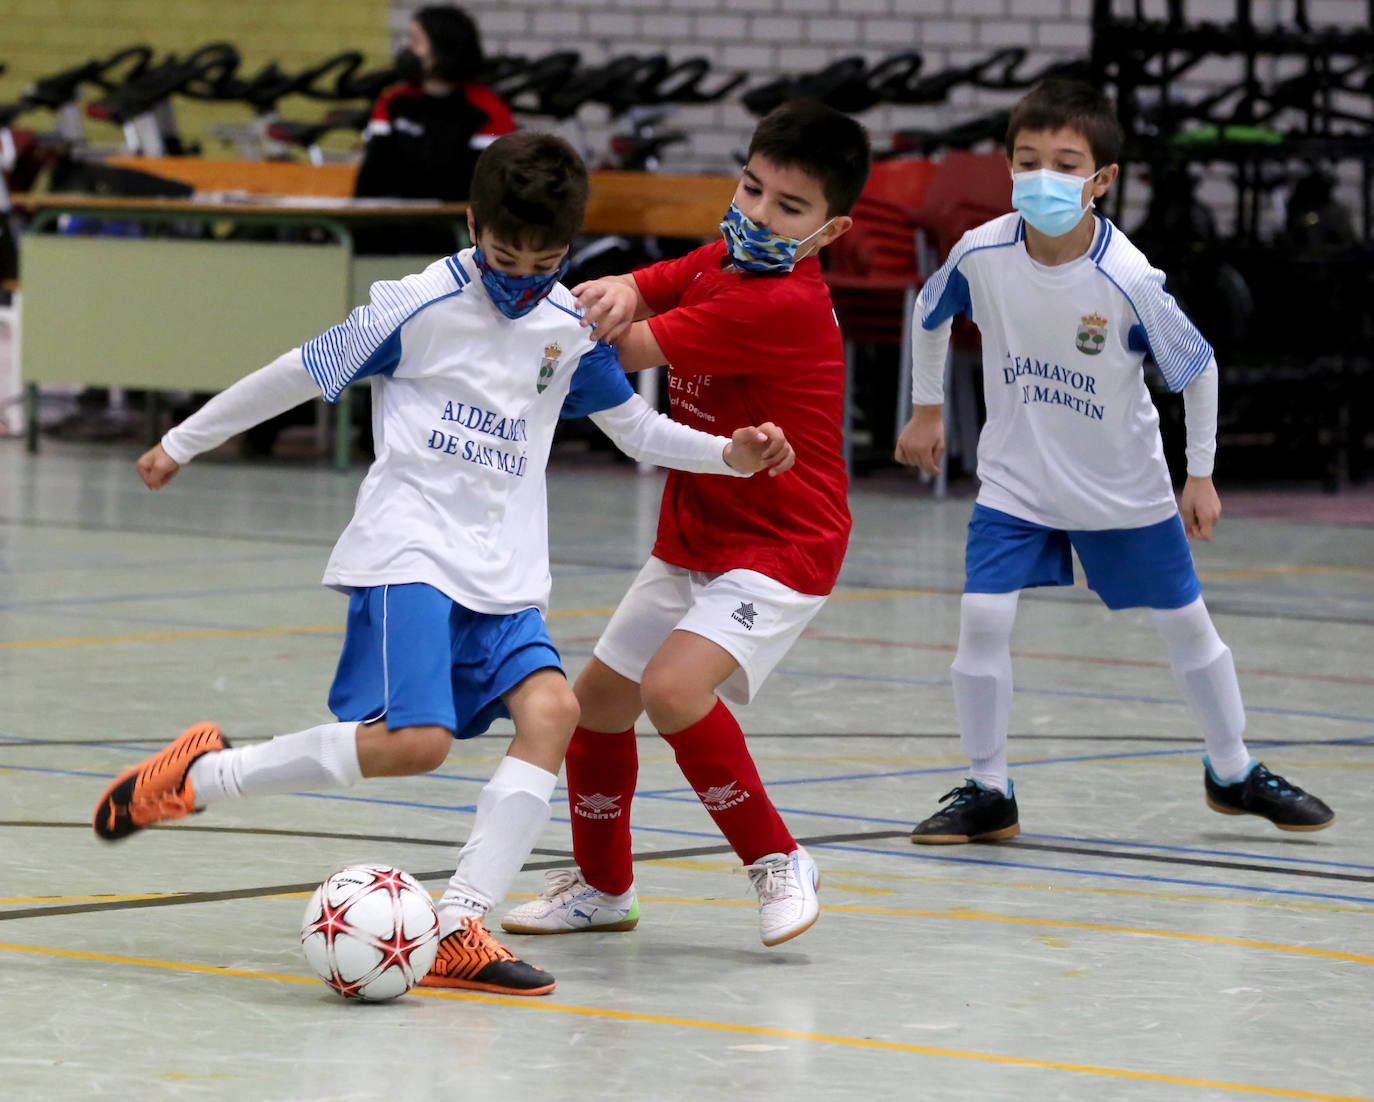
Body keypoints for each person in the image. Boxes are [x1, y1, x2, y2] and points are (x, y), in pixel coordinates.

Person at [91, 132, 797, 998]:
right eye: (505, 257)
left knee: (554, 711)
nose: (521, 278)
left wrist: (732, 452)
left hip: (503, 574)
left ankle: (462, 925)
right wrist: (179, 442)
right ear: (472, 225)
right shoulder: (413, 306)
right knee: (417, 745)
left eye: (545, 262)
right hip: (410, 551)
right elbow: (294, 375)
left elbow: (638, 432)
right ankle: (202, 777)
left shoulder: (569, 326)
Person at [891, 79, 1334, 844]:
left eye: (1065, 163)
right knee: (982, 619)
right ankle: (989, 789)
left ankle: (1231, 771)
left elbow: (1197, 368)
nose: (1042, 178)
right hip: (1017, 482)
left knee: (1188, 629)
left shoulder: (1127, 278)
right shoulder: (982, 252)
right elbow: (929, 314)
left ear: (1103, 181)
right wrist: (927, 407)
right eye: (1026, 160)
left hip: (1122, 488)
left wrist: (1200, 474)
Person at [500, 100, 872, 947]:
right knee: (596, 705)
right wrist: (622, 284)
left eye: (789, 207)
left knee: (672, 689)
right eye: (751, 189)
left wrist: (511, 308)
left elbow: (621, 354)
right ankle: (603, 887)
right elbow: (658, 280)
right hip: (695, 532)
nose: (758, 216)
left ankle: (778, 857)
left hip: (782, 544)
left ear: (830, 229)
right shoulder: (730, 259)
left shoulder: (782, 305)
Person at [353, 5, 515, 254]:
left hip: (453, 239)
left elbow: (484, 190)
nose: (408, 49)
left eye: (416, 41)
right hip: (386, 233)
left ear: (444, 48)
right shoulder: (393, 102)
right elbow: (370, 180)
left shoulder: (489, 111)